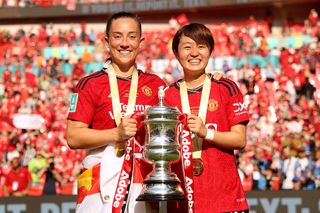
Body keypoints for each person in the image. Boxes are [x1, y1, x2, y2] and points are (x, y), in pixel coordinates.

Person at [66, 12, 167, 213]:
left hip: (143, 181)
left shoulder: (156, 85)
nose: (124, 43)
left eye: (131, 36)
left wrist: (210, 78)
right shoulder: (89, 84)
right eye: (117, 36)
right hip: (100, 183)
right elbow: (73, 136)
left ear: (140, 41)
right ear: (107, 41)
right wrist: (115, 134)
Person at [164, 23, 250, 213]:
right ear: (176, 54)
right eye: (187, 46)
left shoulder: (226, 88)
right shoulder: (167, 95)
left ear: (210, 51)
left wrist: (206, 132)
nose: (194, 52)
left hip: (225, 200)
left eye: (201, 46)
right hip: (182, 201)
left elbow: (239, 139)